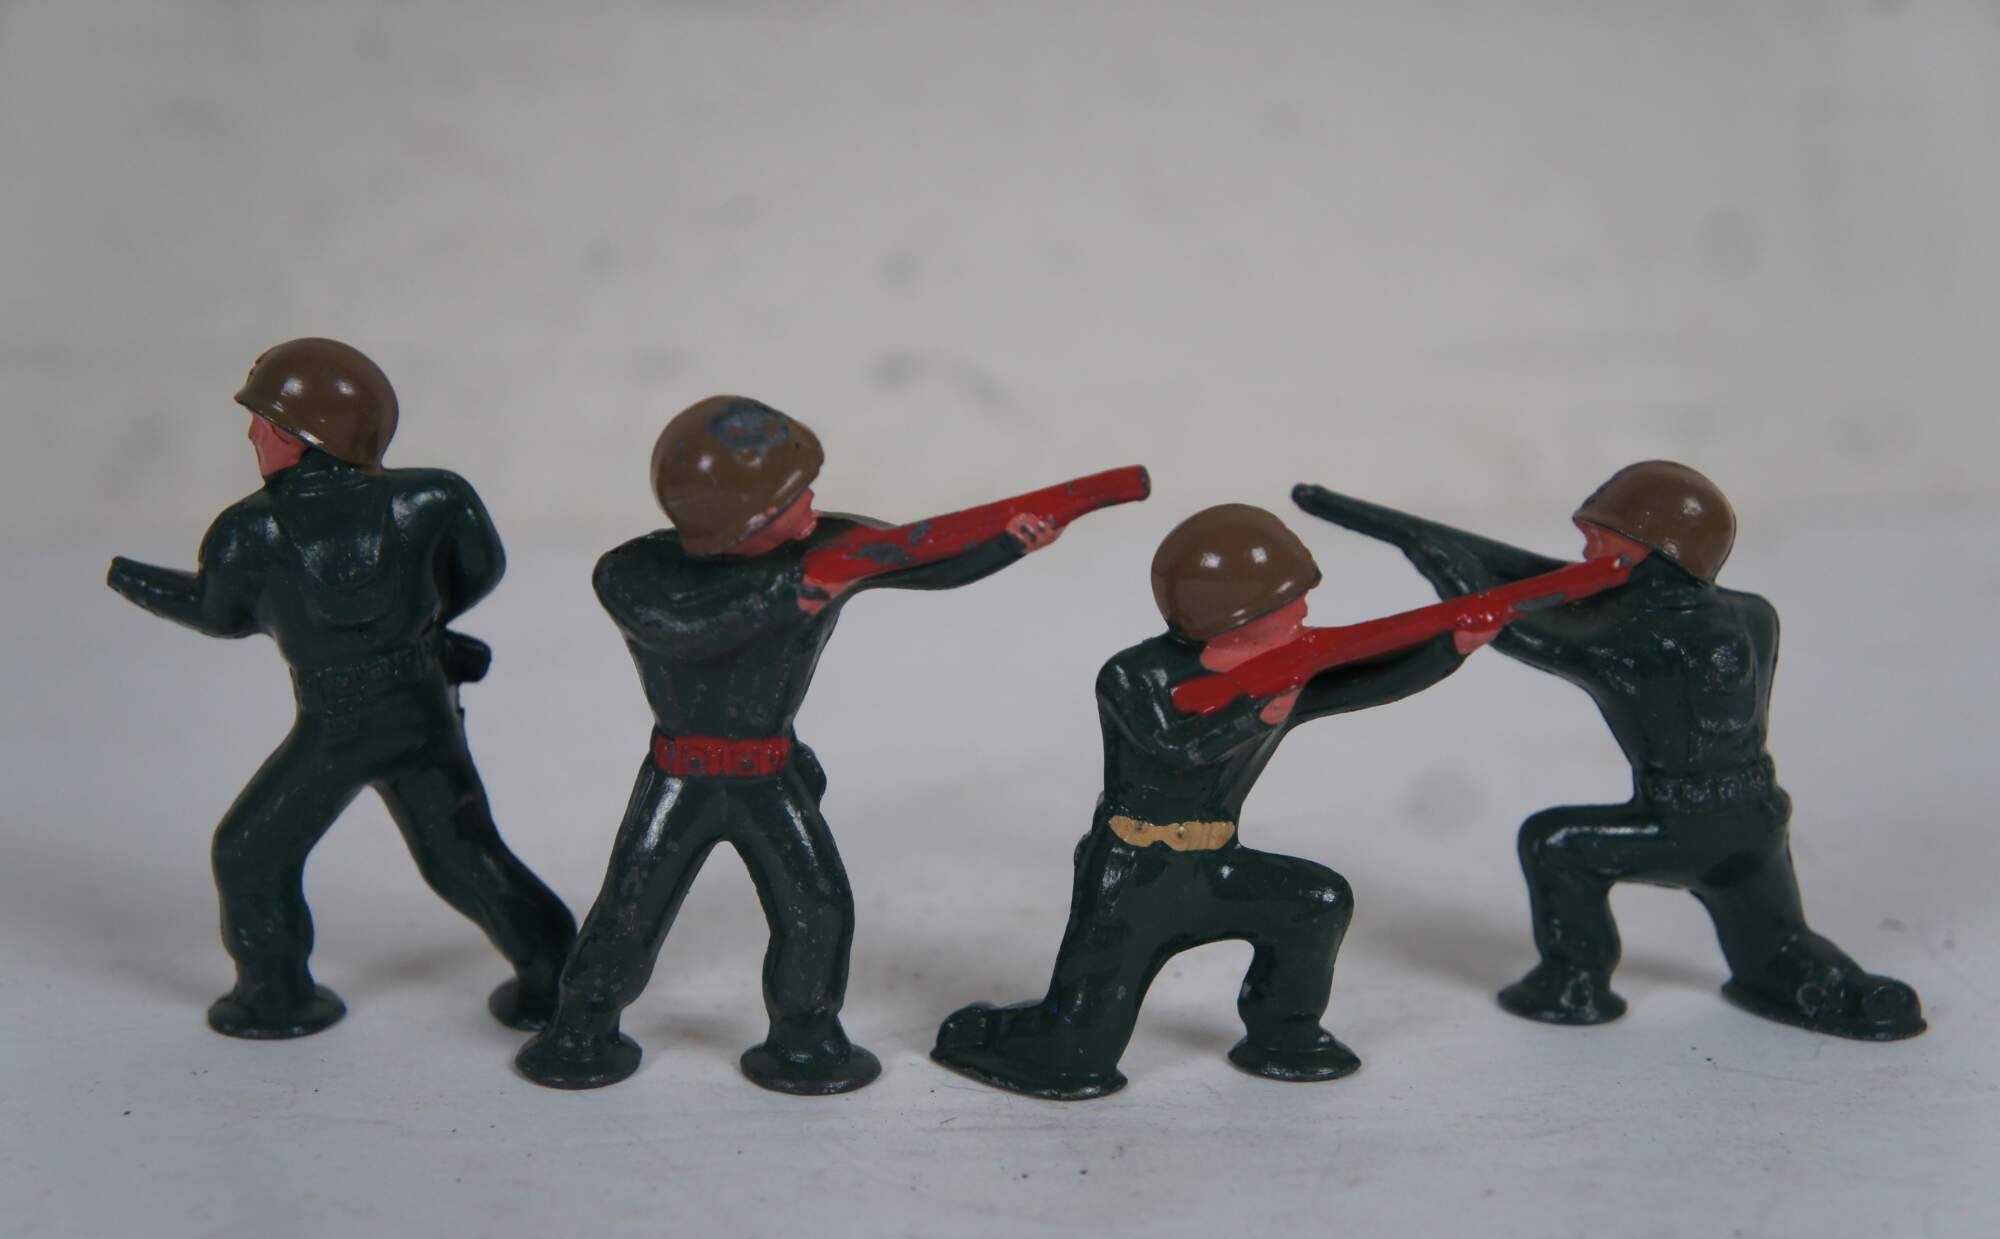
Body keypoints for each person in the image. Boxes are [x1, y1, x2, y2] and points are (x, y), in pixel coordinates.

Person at [515, 395, 1072, 1094]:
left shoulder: (821, 550)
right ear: (740, 520)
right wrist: (794, 593)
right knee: (630, 911)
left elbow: (918, 553)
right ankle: (581, 1028)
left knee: (819, 906)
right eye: (790, 499)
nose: (811, 504)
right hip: (680, 778)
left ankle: (804, 1038)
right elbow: (690, 633)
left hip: (771, 774)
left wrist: (1008, 541)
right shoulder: (635, 573)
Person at [1293, 462, 1925, 1040]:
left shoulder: (1639, 642)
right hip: (1757, 818)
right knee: (1777, 946)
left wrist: (1451, 573)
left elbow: (1530, 634)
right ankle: (1841, 989)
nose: (1586, 552)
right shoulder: (1754, 613)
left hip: (1678, 825)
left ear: (1653, 550)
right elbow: (1587, 598)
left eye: (1601, 540)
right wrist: (1458, 550)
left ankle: (1575, 981)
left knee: (1555, 844)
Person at [932, 504, 1488, 1098]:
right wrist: (1253, 714)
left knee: (1317, 902)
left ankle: (1285, 1034)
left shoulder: (1285, 670)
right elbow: (1174, 748)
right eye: (1289, 601)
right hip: (1130, 876)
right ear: (1238, 616)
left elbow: (1368, 682)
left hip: (1214, 866)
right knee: (1077, 1059)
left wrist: (1452, 648)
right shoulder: (1134, 675)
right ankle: (994, 1035)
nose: (1304, 610)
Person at [106, 337, 576, 1039]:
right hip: (421, 707)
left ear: (303, 436)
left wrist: (131, 579)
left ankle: (274, 995)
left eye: (264, 422)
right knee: (461, 854)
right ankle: (560, 976)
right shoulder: (435, 497)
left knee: (250, 851)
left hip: (337, 724)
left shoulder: (249, 531)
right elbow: (482, 569)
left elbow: (219, 613)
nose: (252, 435)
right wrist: (418, 627)